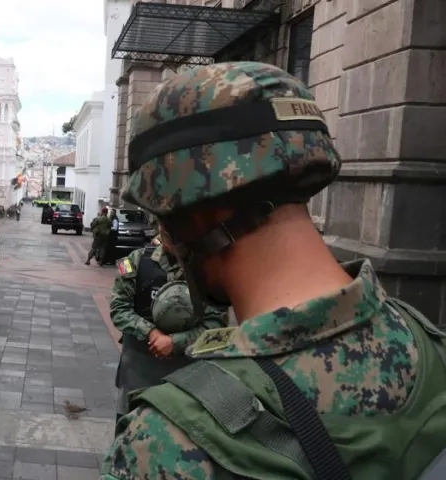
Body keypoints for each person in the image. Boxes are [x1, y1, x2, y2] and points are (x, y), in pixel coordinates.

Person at [101, 62, 446, 480]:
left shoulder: (167, 443)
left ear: (192, 210)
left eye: (161, 213)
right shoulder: (431, 348)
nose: (162, 232)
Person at [110, 240, 227, 435]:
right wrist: (151, 333)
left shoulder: (207, 268)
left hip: (188, 375)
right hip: (140, 369)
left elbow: (217, 325)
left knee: (181, 439)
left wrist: (175, 342)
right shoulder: (136, 261)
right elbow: (119, 308)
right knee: (131, 433)